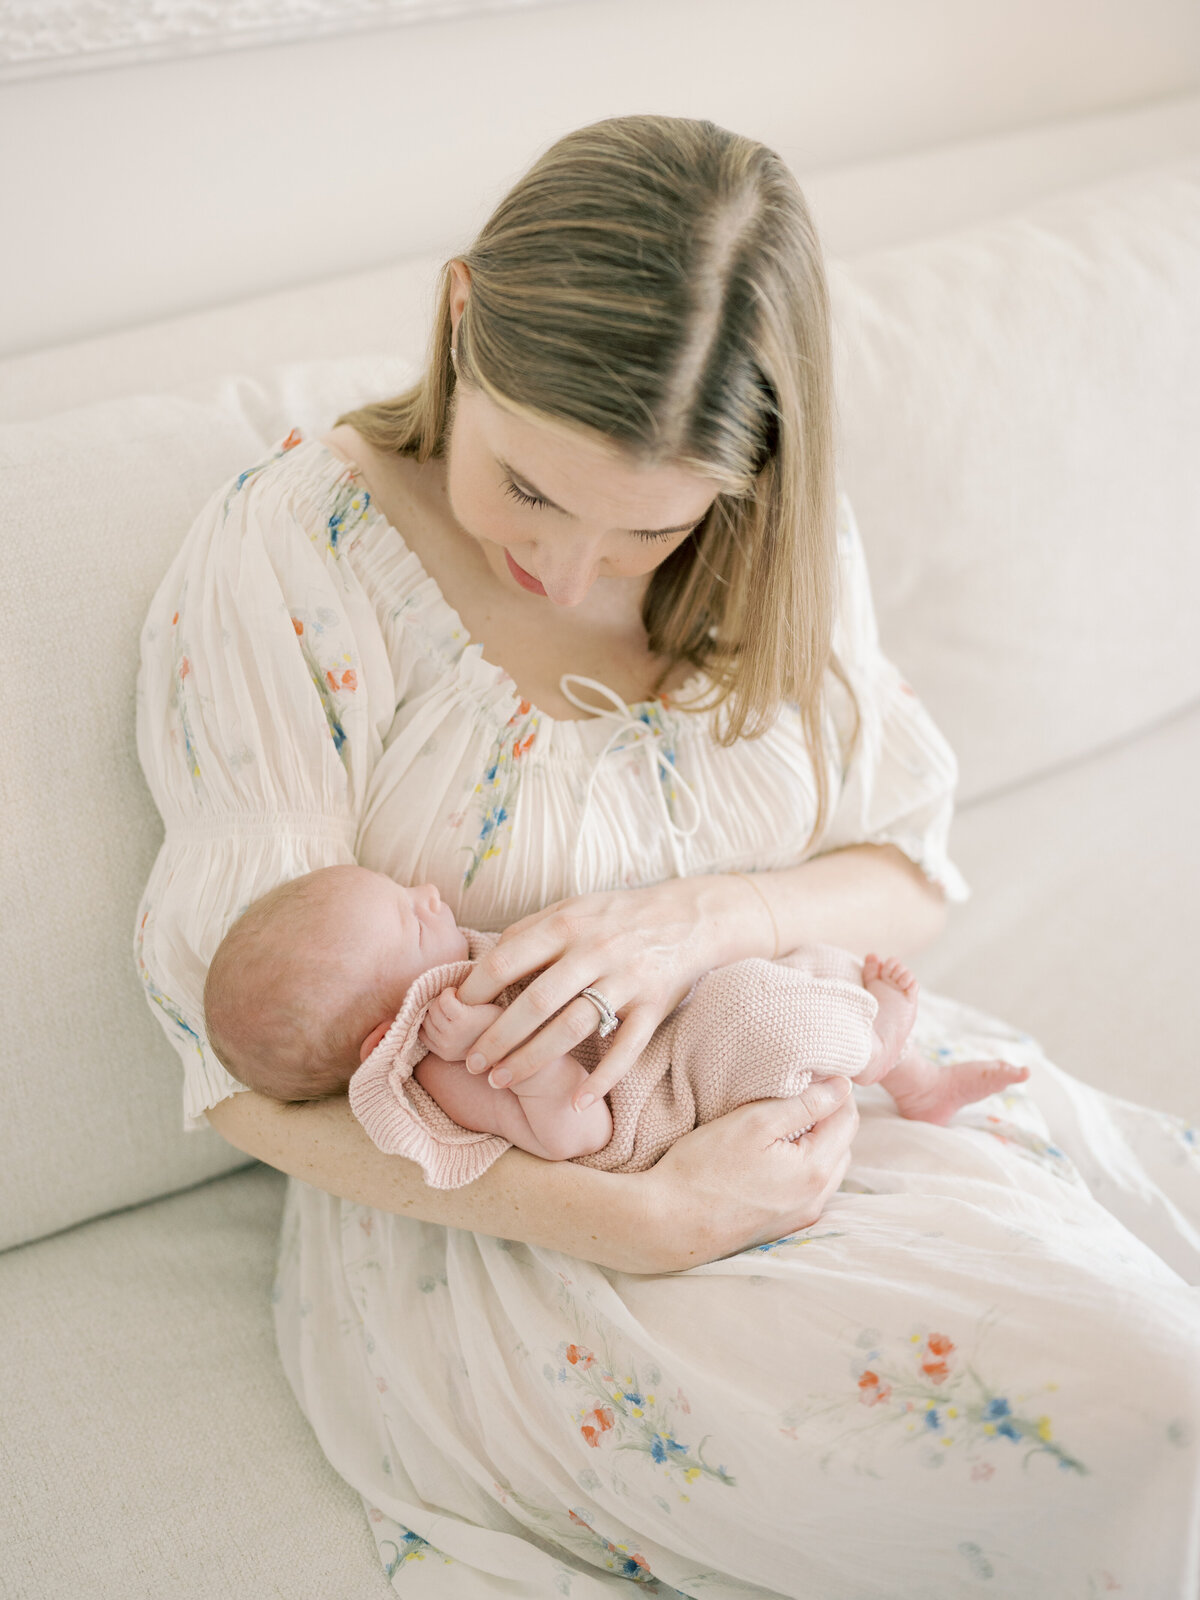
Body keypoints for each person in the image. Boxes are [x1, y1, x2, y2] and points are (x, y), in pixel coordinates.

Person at [134, 114, 1200, 1596]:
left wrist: (704, 920)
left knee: (1172, 1399)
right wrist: (642, 1214)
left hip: (819, 1088)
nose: (570, 571)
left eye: (643, 532)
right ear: (459, 318)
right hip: (516, 1227)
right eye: (528, 489)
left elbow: (908, 872)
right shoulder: (295, 554)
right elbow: (226, 1059)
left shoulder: (777, 542)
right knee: (1114, 1450)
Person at [201, 861, 1030, 1182]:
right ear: (384, 1034)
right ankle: (880, 1047)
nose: (427, 897)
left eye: (404, 891)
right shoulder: (441, 1067)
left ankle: (917, 1082)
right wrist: (508, 1057)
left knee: (782, 972)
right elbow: (572, 1132)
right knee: (756, 1008)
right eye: (411, 923)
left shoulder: (467, 970)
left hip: (678, 1032)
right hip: (657, 1108)